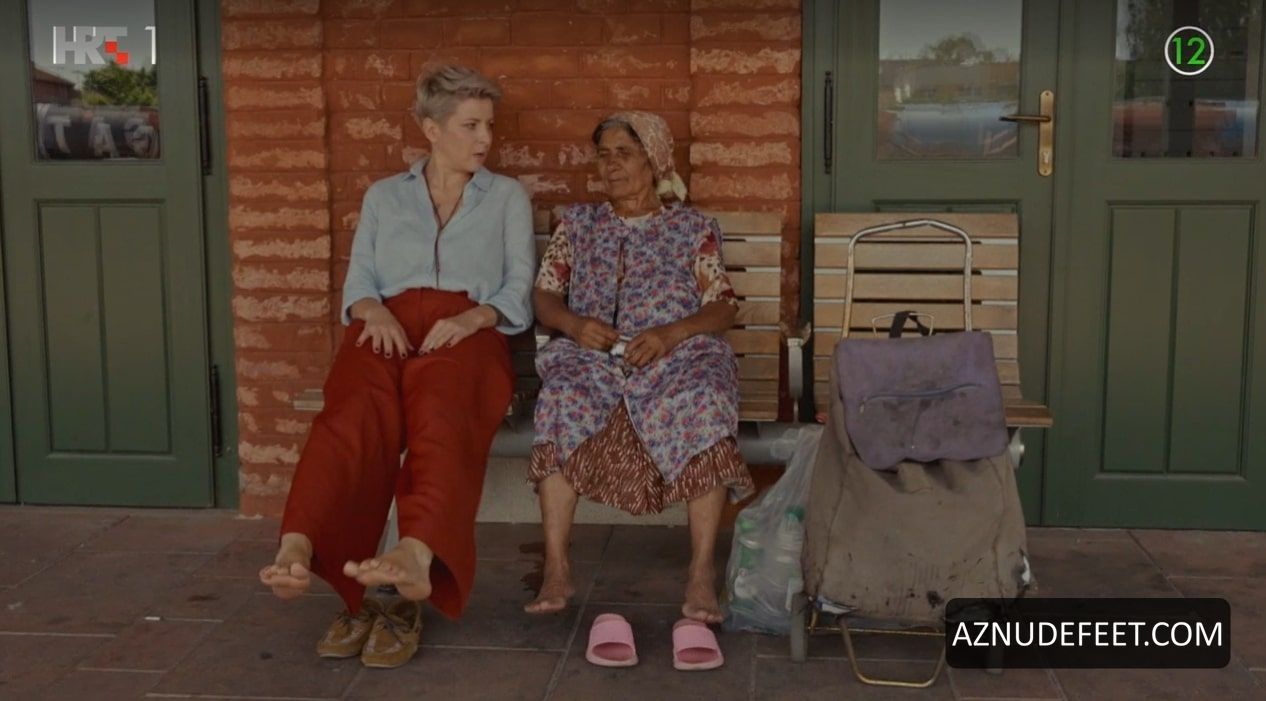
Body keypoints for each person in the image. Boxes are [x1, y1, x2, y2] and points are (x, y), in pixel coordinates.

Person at [258, 64, 535, 667]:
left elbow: (519, 288)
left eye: (489, 125)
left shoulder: (506, 197)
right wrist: (372, 311)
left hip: (466, 331)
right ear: (431, 129)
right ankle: (298, 544)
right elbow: (359, 279)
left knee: (441, 412)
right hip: (384, 324)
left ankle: (415, 552)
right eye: (470, 125)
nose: (485, 138)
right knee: (351, 415)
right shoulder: (385, 196)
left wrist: (474, 318)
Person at [525, 111, 754, 624]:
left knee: (705, 397)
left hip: (675, 355)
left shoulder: (692, 228)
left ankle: (700, 573)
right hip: (593, 355)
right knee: (561, 395)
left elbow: (723, 306)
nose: (611, 165)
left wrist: (672, 334)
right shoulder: (577, 225)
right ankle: (556, 567)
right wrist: (574, 325)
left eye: (623, 154)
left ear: (654, 162)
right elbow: (544, 295)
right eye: (603, 155)